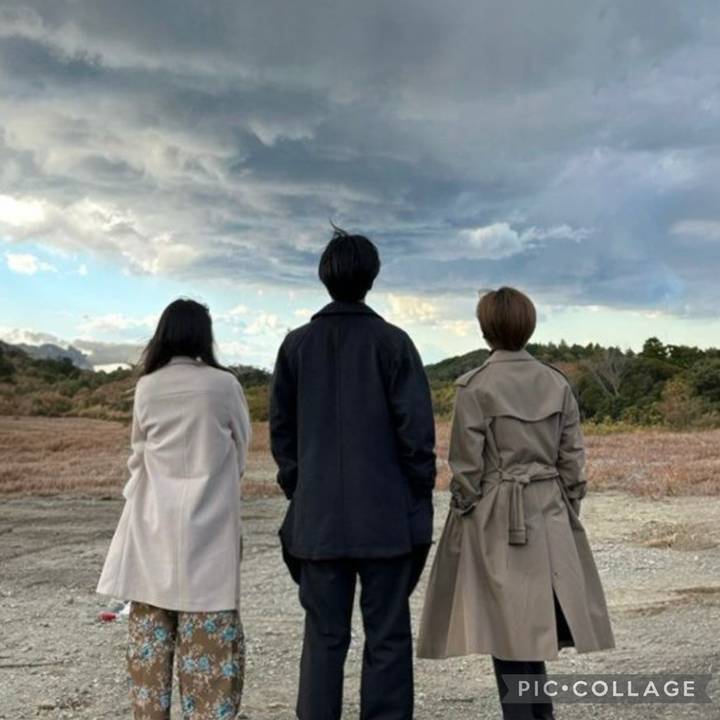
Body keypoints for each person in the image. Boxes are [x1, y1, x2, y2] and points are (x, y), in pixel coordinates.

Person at [417, 287, 615, 720]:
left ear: (485, 329)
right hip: (550, 509)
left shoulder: (475, 386)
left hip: (495, 514)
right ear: (529, 326)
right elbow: (573, 462)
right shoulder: (556, 382)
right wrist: (565, 509)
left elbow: (466, 468)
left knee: (507, 631)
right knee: (533, 627)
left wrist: (465, 510)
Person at [270, 227, 436, 720]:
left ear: (325, 277)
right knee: (387, 635)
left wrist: (301, 487)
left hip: (317, 519)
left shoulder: (296, 346)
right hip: (386, 519)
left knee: (323, 637)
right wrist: (416, 494)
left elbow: (282, 433)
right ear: (372, 276)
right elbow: (417, 435)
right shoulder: (394, 343)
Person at [97, 298, 251, 720]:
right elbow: (241, 452)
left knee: (150, 658)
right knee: (211, 663)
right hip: (211, 533)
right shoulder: (225, 385)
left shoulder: (148, 387)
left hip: (151, 529)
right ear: (204, 335)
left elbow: (139, 454)